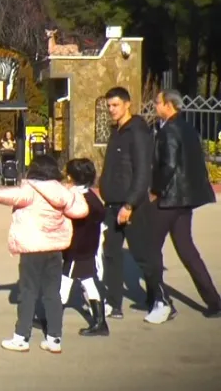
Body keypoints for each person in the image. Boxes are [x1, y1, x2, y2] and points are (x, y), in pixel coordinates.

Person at [0, 154, 87, 354]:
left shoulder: (30, 190)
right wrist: (74, 192)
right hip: (54, 250)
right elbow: (80, 211)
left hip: (32, 249)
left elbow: (8, 196)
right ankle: (54, 338)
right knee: (52, 293)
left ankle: (21, 337)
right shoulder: (63, 191)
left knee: (28, 292)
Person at [148, 89, 221, 321]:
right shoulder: (189, 128)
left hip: (169, 200)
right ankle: (214, 301)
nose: (155, 107)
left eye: (157, 103)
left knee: (149, 249)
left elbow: (168, 166)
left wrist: (155, 190)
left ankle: (160, 300)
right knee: (187, 251)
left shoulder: (169, 130)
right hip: (184, 200)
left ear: (168, 105)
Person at [99, 86, 156, 320]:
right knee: (111, 254)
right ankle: (114, 304)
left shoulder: (138, 131)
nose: (111, 109)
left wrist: (130, 204)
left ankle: (158, 299)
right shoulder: (117, 131)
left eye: (115, 105)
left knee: (142, 254)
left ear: (127, 104)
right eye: (109, 105)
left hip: (131, 205)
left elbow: (143, 172)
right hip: (111, 204)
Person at [61, 158, 109, 337]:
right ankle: (100, 321)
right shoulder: (90, 196)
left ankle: (52, 317)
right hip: (87, 247)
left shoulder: (80, 200)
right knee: (88, 281)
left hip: (77, 249)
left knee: (65, 281)